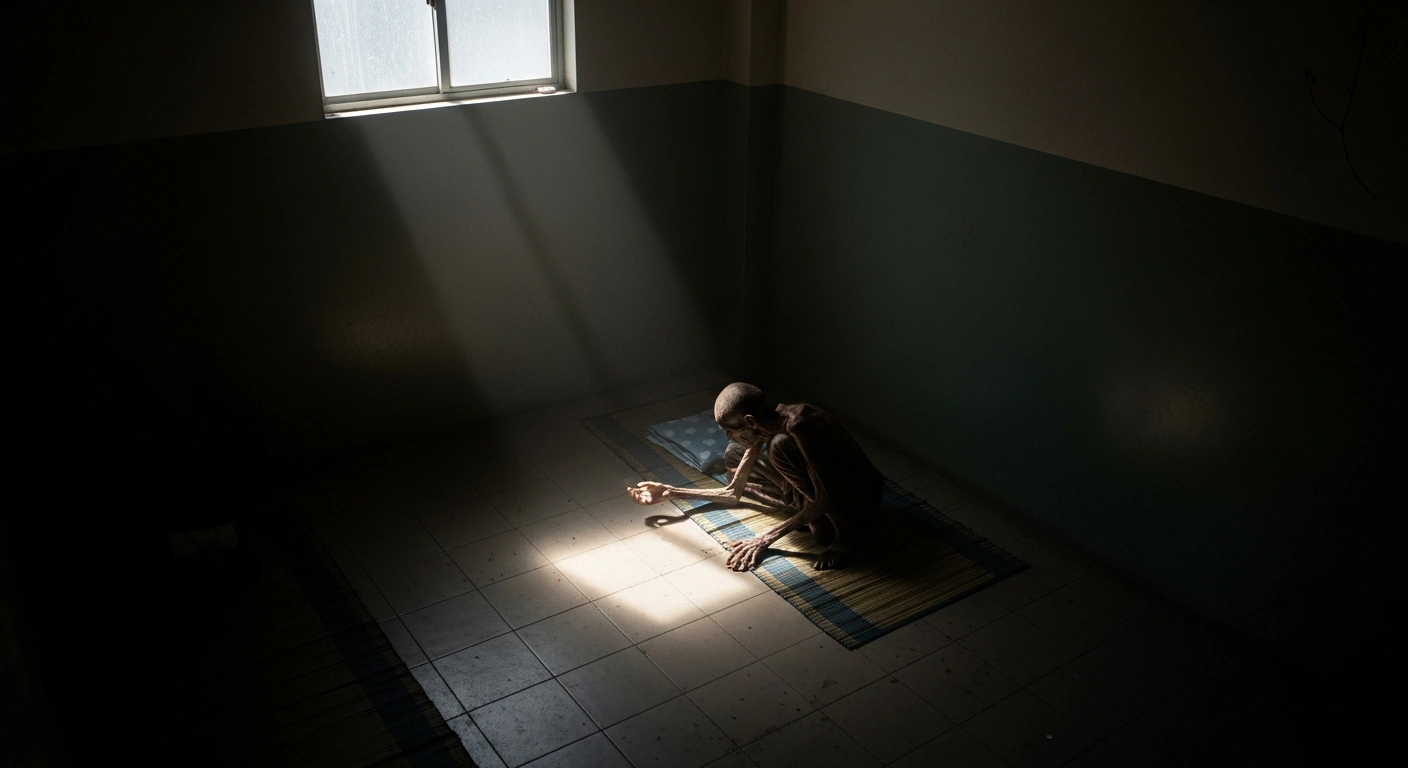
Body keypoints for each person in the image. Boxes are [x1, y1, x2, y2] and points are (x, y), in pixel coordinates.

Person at [627, 382, 881, 571]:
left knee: (780, 449)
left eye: (730, 429)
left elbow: (828, 497)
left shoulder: (797, 426)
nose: (727, 434)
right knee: (735, 454)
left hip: (856, 494)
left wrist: (764, 539)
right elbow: (732, 493)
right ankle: (803, 508)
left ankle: (850, 533)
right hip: (818, 484)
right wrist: (673, 492)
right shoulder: (767, 422)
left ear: (749, 421)